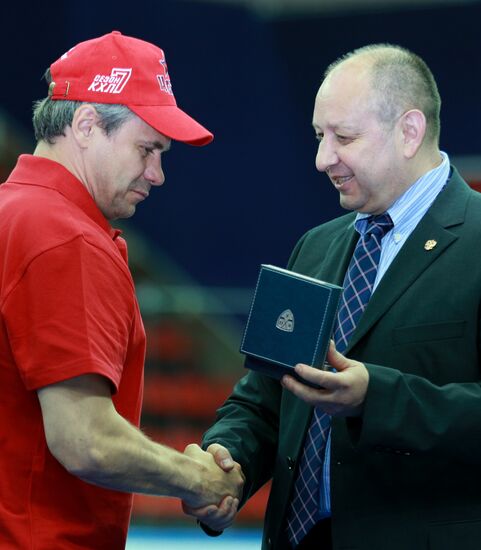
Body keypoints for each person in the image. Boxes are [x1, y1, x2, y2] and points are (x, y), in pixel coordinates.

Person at [185, 43, 481, 550]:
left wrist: (377, 399)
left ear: (409, 132)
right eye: (320, 136)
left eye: (343, 137)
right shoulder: (317, 245)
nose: (323, 159)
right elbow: (265, 398)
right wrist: (225, 460)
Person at [0, 31, 244, 549]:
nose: (157, 174)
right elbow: (85, 440)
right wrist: (197, 478)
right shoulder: (65, 237)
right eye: (147, 149)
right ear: (86, 124)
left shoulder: (13, 211)